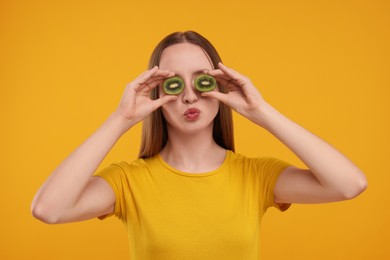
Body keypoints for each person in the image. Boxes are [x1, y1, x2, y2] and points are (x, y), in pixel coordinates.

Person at [31, 31, 367, 259]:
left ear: (220, 85)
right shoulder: (128, 182)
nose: (190, 95)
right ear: (158, 92)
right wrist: (121, 118)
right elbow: (49, 209)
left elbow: (350, 184)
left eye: (201, 80)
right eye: (175, 83)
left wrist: (260, 112)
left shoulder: (255, 176)